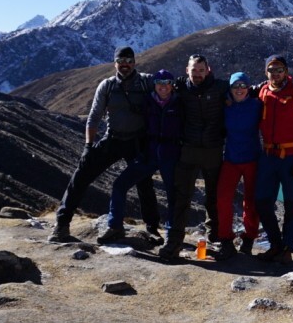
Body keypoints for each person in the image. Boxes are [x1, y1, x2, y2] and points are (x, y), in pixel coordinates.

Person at [49, 46, 159, 242]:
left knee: (145, 184)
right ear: (115, 63)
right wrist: (88, 147)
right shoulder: (107, 86)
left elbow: (167, 86)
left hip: (138, 141)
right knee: (81, 175)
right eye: (121, 61)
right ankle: (62, 224)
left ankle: (152, 229)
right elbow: (93, 118)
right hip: (113, 139)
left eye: (129, 61)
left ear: (135, 63)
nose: (125, 65)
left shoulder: (146, 82)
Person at [97, 69, 183, 245]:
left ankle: (171, 236)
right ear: (155, 85)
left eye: (167, 83)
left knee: (173, 196)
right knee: (120, 185)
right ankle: (115, 226)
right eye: (160, 83)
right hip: (149, 154)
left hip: (171, 155)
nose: (163, 87)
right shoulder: (148, 102)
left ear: (172, 85)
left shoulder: (180, 103)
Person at [160, 54, 229, 260]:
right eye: (194, 70)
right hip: (188, 151)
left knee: (214, 198)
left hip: (213, 150)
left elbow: (245, 90)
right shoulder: (180, 87)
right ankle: (173, 242)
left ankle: (215, 239)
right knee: (181, 197)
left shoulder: (220, 87)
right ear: (187, 70)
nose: (197, 74)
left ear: (209, 70)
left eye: (201, 70)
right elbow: (156, 84)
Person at [254, 55, 293, 263]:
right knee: (263, 202)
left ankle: (287, 249)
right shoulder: (262, 92)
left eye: (279, 69)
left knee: (290, 204)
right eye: (271, 70)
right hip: (268, 157)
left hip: (290, 159)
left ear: (286, 71)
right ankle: (275, 245)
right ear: (266, 72)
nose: (276, 74)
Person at [216, 71, 263, 255]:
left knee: (250, 202)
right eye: (236, 85)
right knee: (223, 198)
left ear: (248, 88)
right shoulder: (224, 105)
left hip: (252, 159)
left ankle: (249, 238)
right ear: (230, 88)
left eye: (243, 85)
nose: (239, 89)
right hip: (231, 159)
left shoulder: (257, 105)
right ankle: (225, 238)